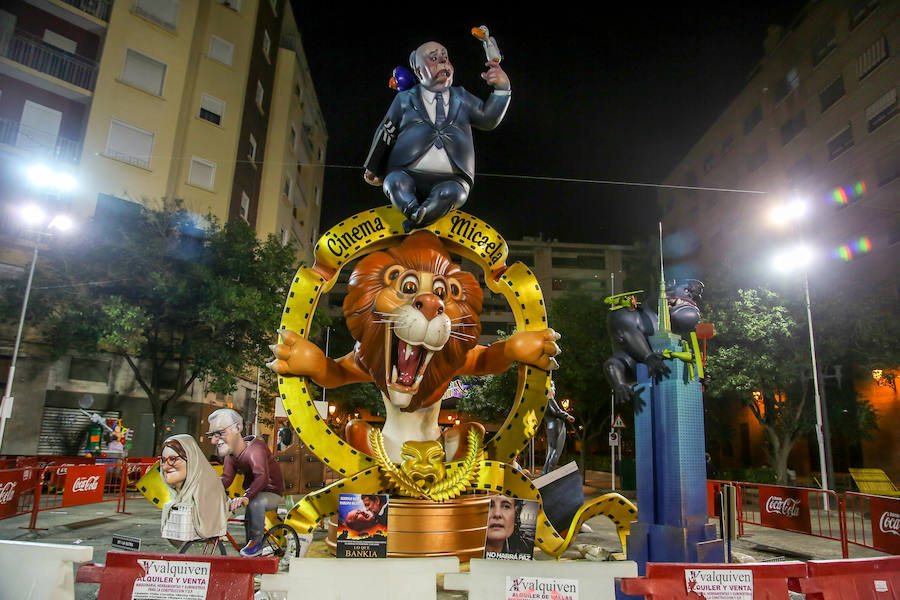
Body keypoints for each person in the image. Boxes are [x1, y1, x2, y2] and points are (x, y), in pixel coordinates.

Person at [363, 40, 511, 231]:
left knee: (452, 193)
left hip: (453, 177)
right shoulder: (404, 99)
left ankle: (419, 218)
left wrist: (502, 89)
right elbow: (387, 130)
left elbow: (488, 118)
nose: (442, 62)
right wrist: (373, 165)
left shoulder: (461, 97)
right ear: (418, 71)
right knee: (395, 183)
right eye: (434, 58)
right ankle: (415, 214)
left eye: (445, 57)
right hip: (405, 170)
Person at [208, 408, 284, 556]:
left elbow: (262, 477)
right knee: (249, 515)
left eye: (221, 433)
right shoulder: (231, 455)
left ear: (237, 428)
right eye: (213, 435)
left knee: (255, 503)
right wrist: (209, 488)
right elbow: (227, 478)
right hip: (253, 492)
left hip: (270, 491)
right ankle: (251, 543)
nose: (214, 440)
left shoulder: (255, 450)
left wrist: (246, 496)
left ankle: (256, 543)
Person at [159, 434, 228, 543]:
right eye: (163, 460)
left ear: (191, 460)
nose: (165, 466)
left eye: (173, 459)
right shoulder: (178, 489)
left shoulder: (206, 486)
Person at [543, 381, 575, 474]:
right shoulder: (550, 400)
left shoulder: (544, 403)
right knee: (556, 451)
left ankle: (546, 472)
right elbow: (557, 411)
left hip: (550, 426)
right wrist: (567, 416)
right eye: (554, 388)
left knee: (551, 450)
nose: (555, 391)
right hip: (556, 425)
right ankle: (549, 471)